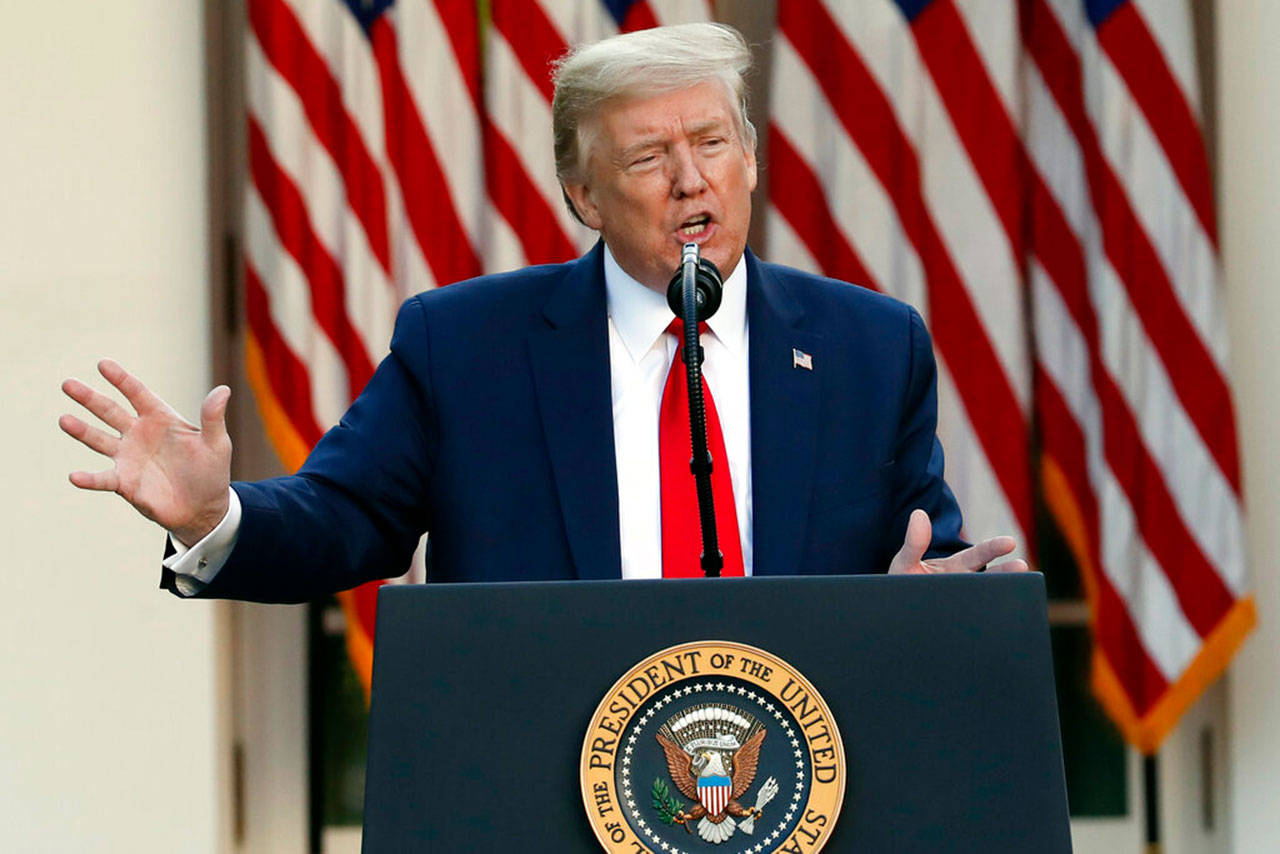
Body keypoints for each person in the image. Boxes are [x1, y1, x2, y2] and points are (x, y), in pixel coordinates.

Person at [59, 23, 1025, 601]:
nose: (693, 181)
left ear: (752, 158)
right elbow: (348, 516)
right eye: (650, 158)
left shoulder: (869, 345)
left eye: (713, 143)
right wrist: (215, 516)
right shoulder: (466, 346)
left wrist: (939, 606)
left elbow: (921, 555)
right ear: (583, 195)